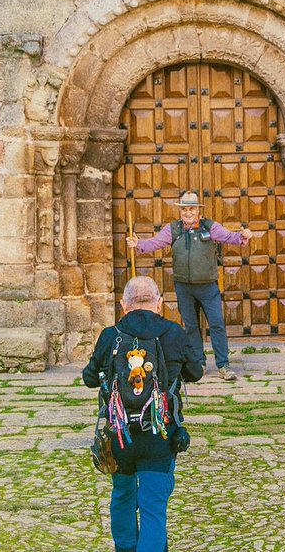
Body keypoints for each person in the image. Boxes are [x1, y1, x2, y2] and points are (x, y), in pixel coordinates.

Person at [83, 276, 204, 552]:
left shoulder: (110, 336)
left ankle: (125, 548)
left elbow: (89, 378)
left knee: (123, 494)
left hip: (120, 436)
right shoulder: (173, 333)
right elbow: (195, 372)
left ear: (124, 305)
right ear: (159, 304)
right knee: (153, 506)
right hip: (159, 435)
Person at [126, 191, 253, 381]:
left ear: (198, 211)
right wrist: (138, 244)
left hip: (208, 287)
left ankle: (223, 365)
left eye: (191, 209)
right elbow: (154, 243)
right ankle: (198, 364)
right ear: (180, 212)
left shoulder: (210, 227)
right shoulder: (173, 229)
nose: (187, 213)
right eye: (184, 209)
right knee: (191, 327)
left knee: (217, 324)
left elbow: (230, 237)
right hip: (184, 286)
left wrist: (243, 236)